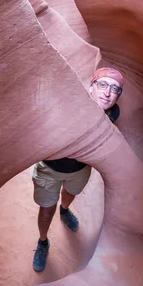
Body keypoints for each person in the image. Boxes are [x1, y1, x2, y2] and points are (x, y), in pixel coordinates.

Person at [31, 67, 124, 272]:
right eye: (102, 85)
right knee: (46, 212)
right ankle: (43, 242)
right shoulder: (69, 105)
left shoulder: (112, 115)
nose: (108, 93)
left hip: (79, 170)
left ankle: (64, 211)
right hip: (49, 168)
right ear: (90, 87)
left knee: (70, 195)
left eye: (115, 89)